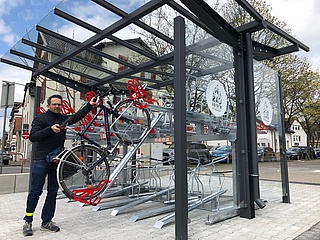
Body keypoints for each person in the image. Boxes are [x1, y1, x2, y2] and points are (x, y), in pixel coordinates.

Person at [23, 94, 96, 236]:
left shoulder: (63, 119)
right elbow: (33, 136)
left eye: (59, 104)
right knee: (35, 191)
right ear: (48, 105)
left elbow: (77, 116)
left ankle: (46, 221)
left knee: (52, 192)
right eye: (54, 104)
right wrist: (50, 129)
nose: (57, 106)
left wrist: (89, 105)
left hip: (56, 160)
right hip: (40, 159)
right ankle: (28, 221)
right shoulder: (41, 119)